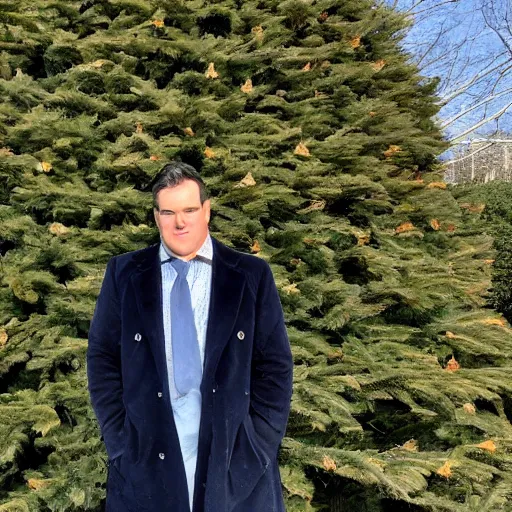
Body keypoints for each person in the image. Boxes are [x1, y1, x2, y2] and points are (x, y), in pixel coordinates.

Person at [87, 161, 294, 512]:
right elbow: (102, 357)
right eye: (168, 212)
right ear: (156, 217)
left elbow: (275, 367)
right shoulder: (124, 275)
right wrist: (121, 442)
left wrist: (256, 445)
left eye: (189, 210)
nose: (179, 222)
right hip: (146, 460)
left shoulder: (250, 276)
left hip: (234, 460)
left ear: (207, 211)